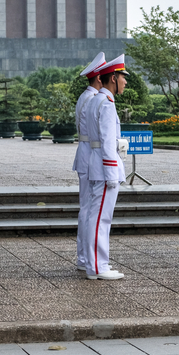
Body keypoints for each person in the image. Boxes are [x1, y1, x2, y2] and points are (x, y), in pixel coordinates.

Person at [83, 54, 128, 280]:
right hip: (104, 165)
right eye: (122, 77)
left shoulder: (94, 100)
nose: (125, 82)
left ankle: (95, 265)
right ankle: (99, 266)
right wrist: (112, 172)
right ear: (112, 78)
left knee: (96, 216)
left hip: (95, 162)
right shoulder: (107, 104)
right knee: (101, 218)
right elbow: (108, 142)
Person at [73, 52, 106, 271]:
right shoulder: (94, 99)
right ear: (99, 78)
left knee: (86, 207)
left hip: (84, 151)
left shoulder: (85, 97)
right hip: (89, 152)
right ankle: (86, 257)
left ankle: (84, 256)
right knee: (89, 208)